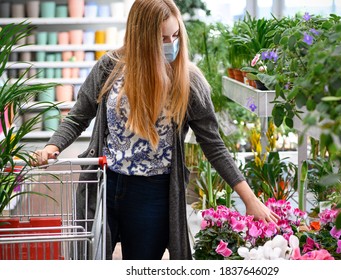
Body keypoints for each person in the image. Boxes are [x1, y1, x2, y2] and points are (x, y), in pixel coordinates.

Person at [32, 0, 279, 260]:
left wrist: (250, 199)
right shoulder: (110, 68)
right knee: (91, 260)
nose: (171, 44)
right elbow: (78, 116)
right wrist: (53, 145)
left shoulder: (188, 82)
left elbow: (214, 146)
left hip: (153, 193)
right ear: (141, 38)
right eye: (162, 38)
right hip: (105, 183)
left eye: (175, 36)